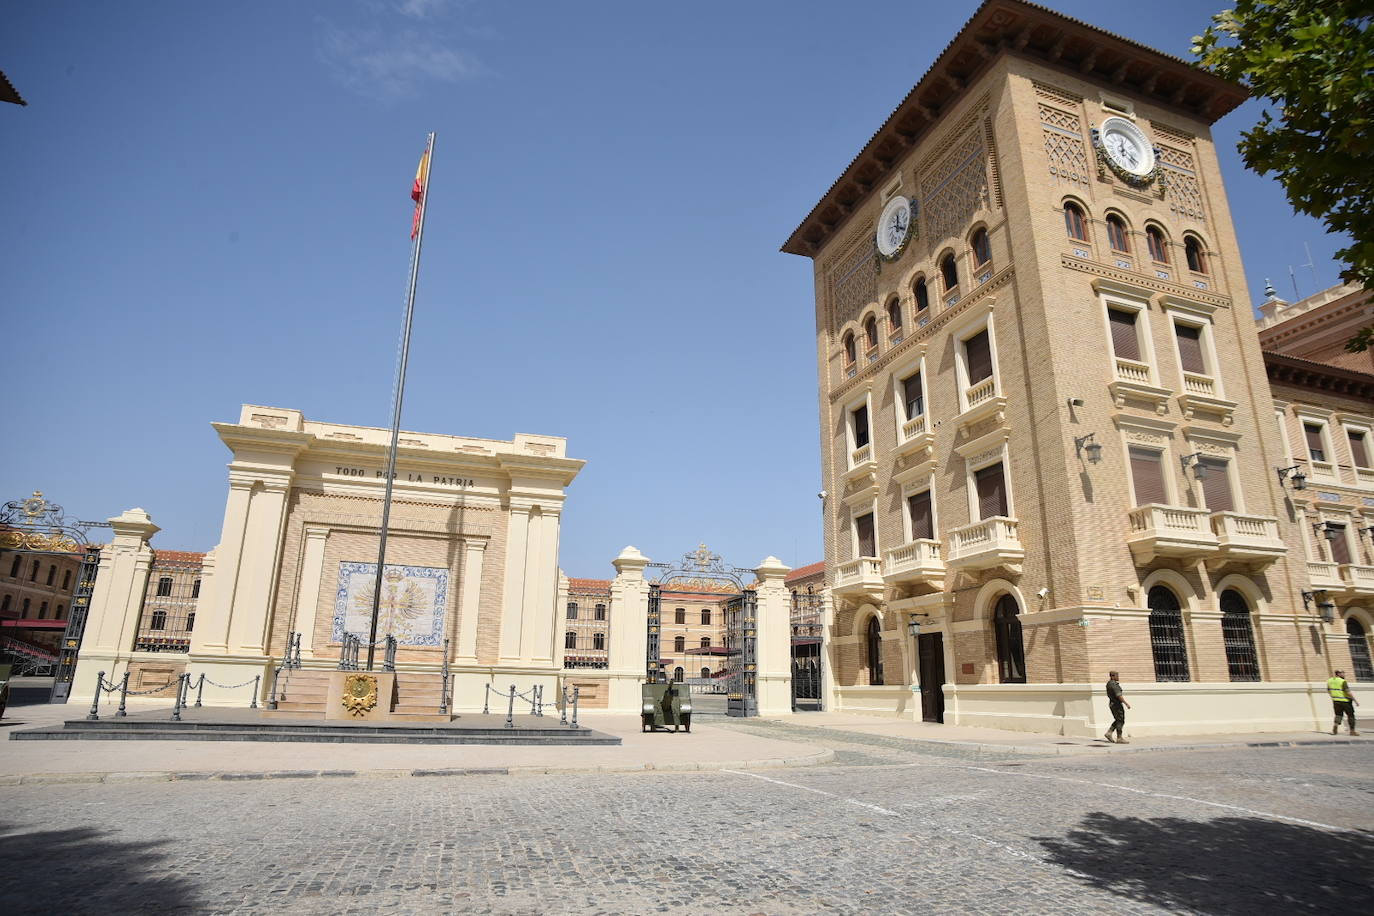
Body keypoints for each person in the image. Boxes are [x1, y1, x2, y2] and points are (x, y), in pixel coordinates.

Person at [1327, 669, 1360, 736]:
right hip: (1345, 701)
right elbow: (1348, 692)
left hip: (1336, 701)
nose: (1344, 674)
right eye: (1342, 673)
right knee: (1351, 715)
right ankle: (1352, 731)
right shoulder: (1343, 681)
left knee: (1338, 715)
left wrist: (1333, 697)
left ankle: (1335, 726)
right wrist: (1355, 700)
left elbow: (1329, 690)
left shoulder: (1329, 681)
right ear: (1338, 674)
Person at [1104, 671, 1130, 744]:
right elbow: (1119, 695)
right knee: (1121, 720)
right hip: (1117, 704)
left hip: (1112, 703)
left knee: (1118, 719)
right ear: (1113, 676)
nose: (1118, 677)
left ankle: (1109, 733)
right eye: (1117, 676)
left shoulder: (1108, 684)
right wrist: (1126, 703)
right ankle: (1119, 738)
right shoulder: (1114, 685)